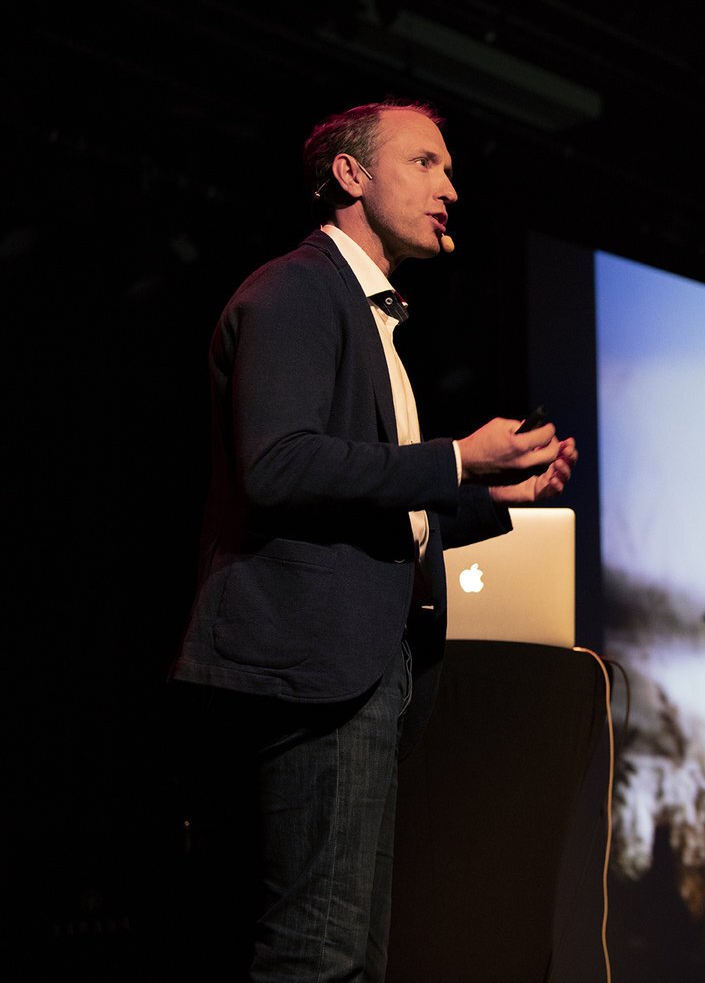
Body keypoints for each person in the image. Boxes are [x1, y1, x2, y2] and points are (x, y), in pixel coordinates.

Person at [167, 98, 578, 982]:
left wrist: (493, 488)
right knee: (319, 956)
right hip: (313, 667)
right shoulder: (297, 289)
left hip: (358, 674)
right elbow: (278, 465)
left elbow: (379, 499)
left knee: (352, 956)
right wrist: (457, 457)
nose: (451, 189)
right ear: (350, 176)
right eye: (425, 164)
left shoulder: (371, 316)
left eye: (449, 168)